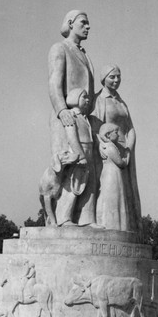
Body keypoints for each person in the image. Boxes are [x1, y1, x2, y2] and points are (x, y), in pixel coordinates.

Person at [47, 10, 98, 227]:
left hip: (83, 119)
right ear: (71, 23)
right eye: (83, 23)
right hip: (65, 116)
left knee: (89, 169)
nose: (88, 27)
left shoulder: (85, 55)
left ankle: (86, 218)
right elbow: (54, 83)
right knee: (72, 166)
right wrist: (61, 110)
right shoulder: (60, 48)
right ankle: (63, 217)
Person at [92, 64, 142, 234]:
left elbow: (130, 128)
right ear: (103, 78)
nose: (116, 80)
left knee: (125, 192)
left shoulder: (122, 102)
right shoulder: (98, 100)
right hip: (109, 151)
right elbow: (96, 128)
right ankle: (108, 226)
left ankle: (124, 228)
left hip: (125, 150)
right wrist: (106, 147)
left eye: (118, 76)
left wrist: (129, 147)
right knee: (110, 188)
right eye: (112, 77)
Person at [55, 88, 98, 226]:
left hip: (89, 151)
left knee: (90, 187)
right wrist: (80, 156)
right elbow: (72, 138)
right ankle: (64, 218)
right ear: (75, 98)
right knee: (73, 186)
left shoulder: (84, 118)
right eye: (84, 97)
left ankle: (87, 220)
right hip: (78, 154)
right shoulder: (71, 116)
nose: (87, 100)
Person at [96, 122, 131, 230]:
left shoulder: (106, 146)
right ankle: (112, 225)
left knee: (111, 199)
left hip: (110, 174)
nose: (118, 135)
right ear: (108, 135)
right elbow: (120, 163)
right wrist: (127, 156)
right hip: (112, 175)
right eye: (116, 132)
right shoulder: (110, 147)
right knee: (113, 199)